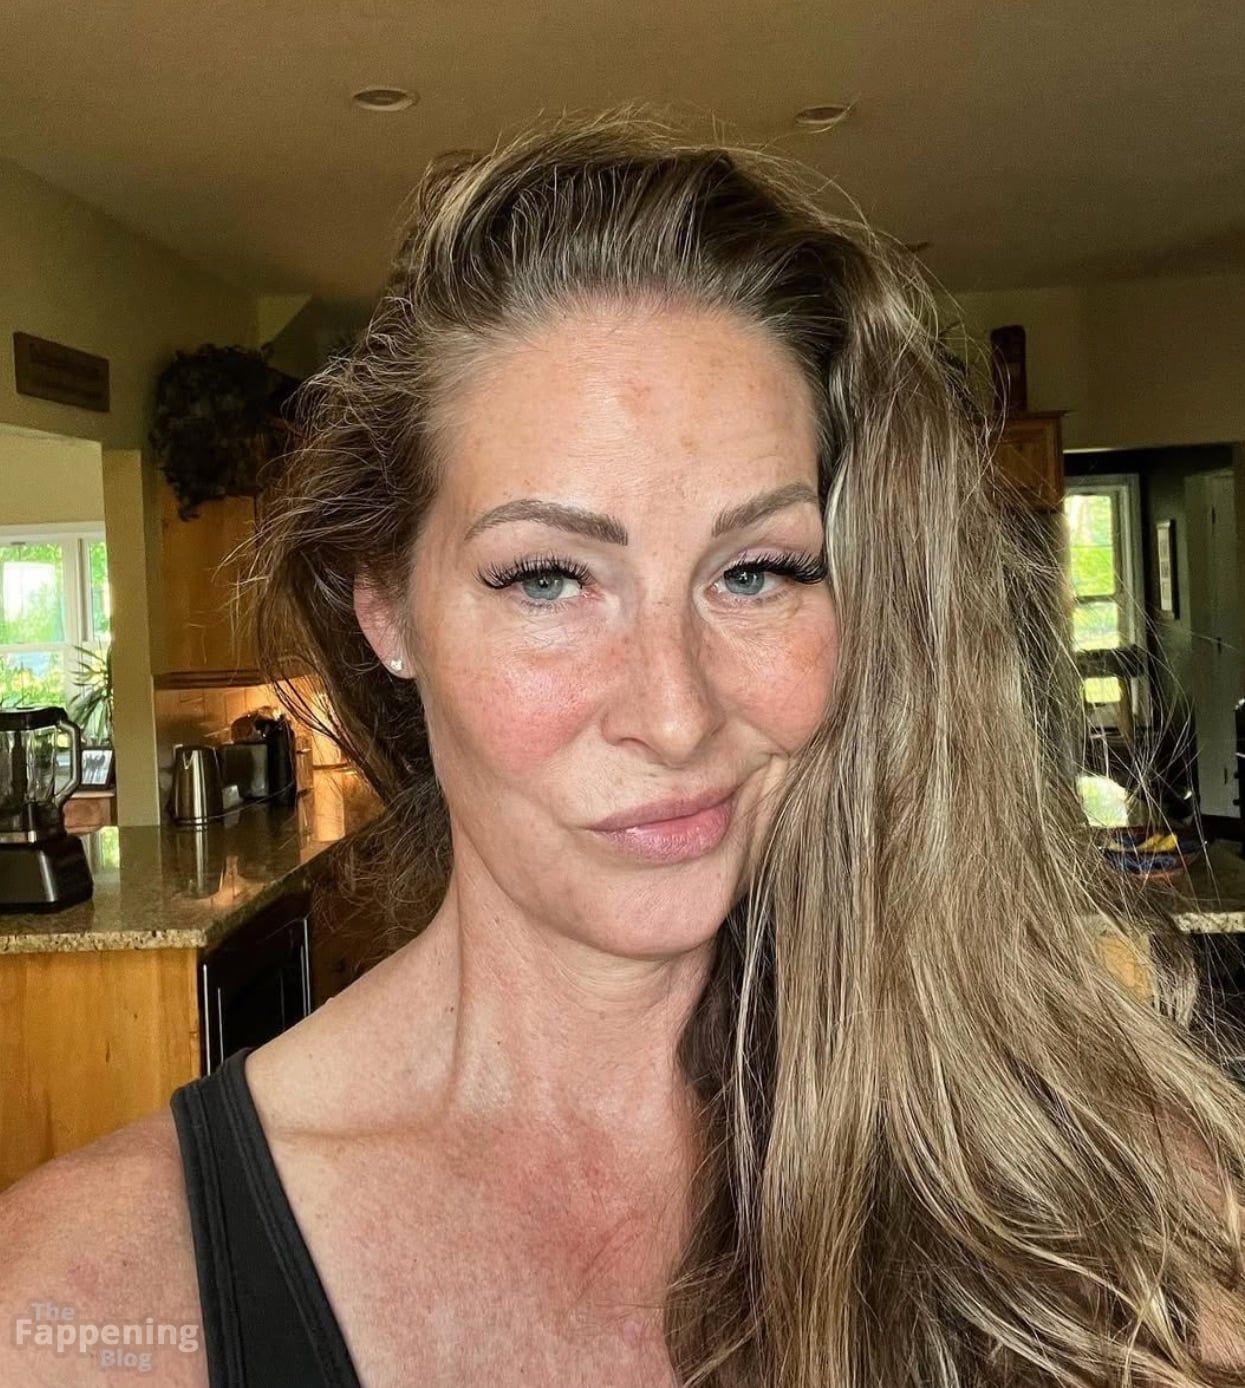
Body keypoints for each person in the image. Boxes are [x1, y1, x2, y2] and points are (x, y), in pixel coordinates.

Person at [3, 103, 1244, 1388]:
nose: (675, 711)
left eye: (757, 569)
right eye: (547, 577)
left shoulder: (1113, 1202)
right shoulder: (83, 1309)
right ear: (387, 609)